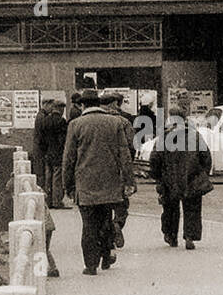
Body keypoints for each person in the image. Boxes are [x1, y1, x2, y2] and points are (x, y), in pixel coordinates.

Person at [61, 89, 135, 274]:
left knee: (89, 225)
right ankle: (106, 256)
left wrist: (67, 184)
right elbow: (124, 154)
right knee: (106, 220)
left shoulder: (75, 124)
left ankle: (91, 265)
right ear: (99, 103)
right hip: (110, 182)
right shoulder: (115, 122)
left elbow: (68, 158)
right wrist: (129, 181)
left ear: (83, 105)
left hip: (85, 184)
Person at [149, 109, 213, 250]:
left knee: (170, 208)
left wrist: (157, 177)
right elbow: (206, 157)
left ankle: (171, 235)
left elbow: (154, 160)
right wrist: (203, 174)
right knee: (193, 208)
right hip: (192, 177)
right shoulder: (195, 136)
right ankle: (190, 236)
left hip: (169, 179)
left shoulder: (164, 137)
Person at [101, 91, 133, 248]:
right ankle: (117, 225)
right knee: (121, 206)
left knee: (103, 207)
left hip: (99, 171)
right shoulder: (124, 121)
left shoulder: (93, 121)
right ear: (115, 104)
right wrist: (130, 178)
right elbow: (129, 149)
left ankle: (107, 237)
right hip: (118, 170)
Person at [34, 98, 68, 208]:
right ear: (60, 109)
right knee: (57, 178)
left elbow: (42, 139)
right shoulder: (61, 121)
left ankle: (48, 200)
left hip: (48, 153)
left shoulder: (45, 120)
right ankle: (57, 201)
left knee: (48, 177)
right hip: (58, 153)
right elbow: (63, 140)